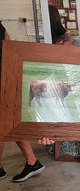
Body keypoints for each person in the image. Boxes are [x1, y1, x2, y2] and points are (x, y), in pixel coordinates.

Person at [0, 21, 45, 182]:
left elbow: (9, 45)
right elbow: (9, 42)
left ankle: (31, 162)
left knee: (7, 124)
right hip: (8, 76)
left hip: (6, 78)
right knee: (9, 124)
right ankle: (32, 162)